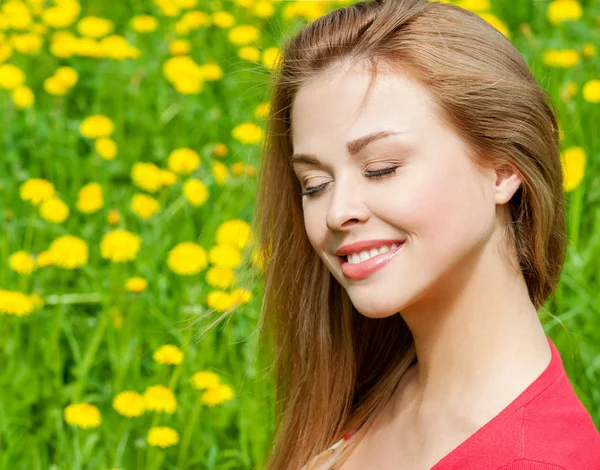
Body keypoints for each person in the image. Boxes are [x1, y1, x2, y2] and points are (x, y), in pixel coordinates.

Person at [248, 0, 600, 468]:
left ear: (502, 169)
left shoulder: (538, 459)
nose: (337, 212)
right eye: (315, 184)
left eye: (381, 169)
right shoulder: (373, 382)